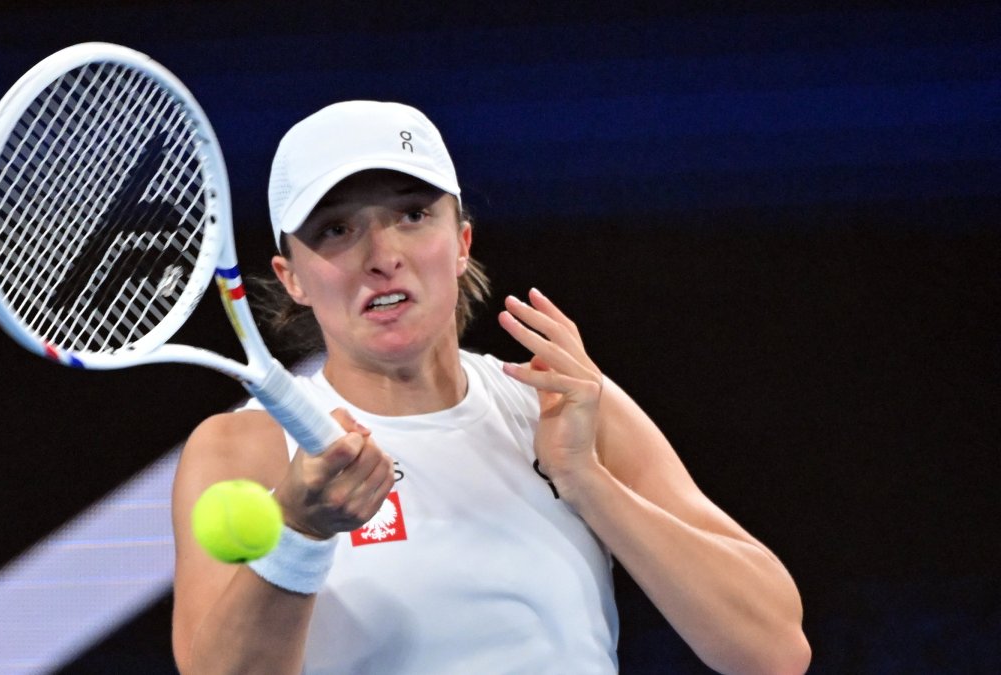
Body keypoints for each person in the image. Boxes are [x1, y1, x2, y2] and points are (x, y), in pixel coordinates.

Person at [171, 100, 810, 674]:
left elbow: (772, 651)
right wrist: (299, 533)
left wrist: (585, 479)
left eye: (414, 214)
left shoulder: (561, 402)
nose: (382, 253)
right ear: (294, 279)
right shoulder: (242, 449)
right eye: (336, 229)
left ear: (461, 244)